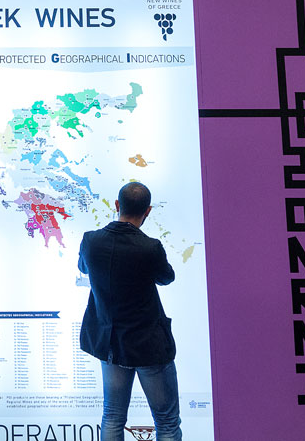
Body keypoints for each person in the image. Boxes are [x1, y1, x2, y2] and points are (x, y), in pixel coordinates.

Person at [78, 182, 182, 441]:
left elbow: (83, 268)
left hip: (111, 345)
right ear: (148, 211)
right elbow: (166, 277)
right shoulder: (150, 247)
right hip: (149, 347)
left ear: (117, 205)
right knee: (167, 422)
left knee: (112, 417)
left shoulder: (91, 241)